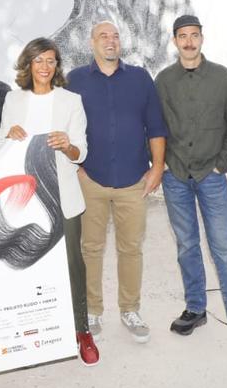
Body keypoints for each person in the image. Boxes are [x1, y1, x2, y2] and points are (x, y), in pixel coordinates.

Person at [153, 15, 227, 366]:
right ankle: (195, 308)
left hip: (211, 176)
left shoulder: (221, 77)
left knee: (223, 249)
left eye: (194, 36)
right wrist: (163, 163)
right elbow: (154, 125)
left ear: (202, 38)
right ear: (175, 41)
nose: (189, 42)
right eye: (182, 36)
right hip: (176, 177)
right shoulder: (164, 80)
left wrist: (223, 164)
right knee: (187, 244)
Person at [0, 37, 100, 366]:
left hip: (63, 196)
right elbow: (1, 144)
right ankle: (33, 335)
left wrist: (68, 145)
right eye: (38, 60)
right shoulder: (13, 100)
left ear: (57, 66)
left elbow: (81, 151)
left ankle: (81, 330)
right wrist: (7, 136)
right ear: (27, 64)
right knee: (26, 262)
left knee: (72, 265)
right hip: (24, 198)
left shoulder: (71, 100)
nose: (45, 66)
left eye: (51, 61)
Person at [66, 21, 168, 343]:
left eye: (115, 36)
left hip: (133, 181)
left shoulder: (139, 79)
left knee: (131, 248)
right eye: (103, 36)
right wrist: (76, 169)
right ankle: (92, 309)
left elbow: (156, 126)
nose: (110, 41)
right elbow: (66, 128)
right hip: (91, 180)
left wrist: (158, 168)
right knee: (91, 248)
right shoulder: (75, 80)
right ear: (91, 43)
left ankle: (130, 309)